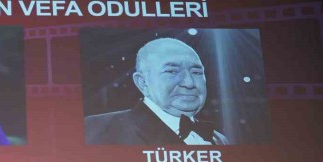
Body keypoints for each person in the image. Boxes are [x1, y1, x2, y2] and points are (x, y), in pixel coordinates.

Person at [84, 37, 229, 146]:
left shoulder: (219, 139)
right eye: (171, 71)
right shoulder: (96, 129)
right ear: (142, 83)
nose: (189, 83)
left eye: (196, 72)